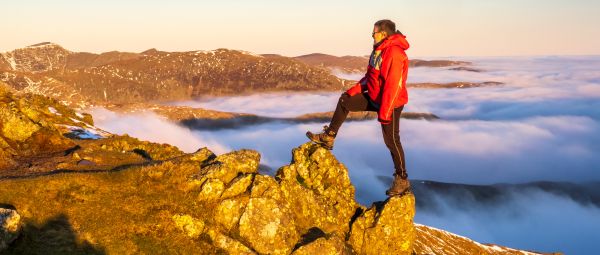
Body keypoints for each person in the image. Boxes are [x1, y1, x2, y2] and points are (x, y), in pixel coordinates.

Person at [306, 19, 411, 196]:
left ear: (384, 34)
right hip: (376, 97)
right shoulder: (378, 50)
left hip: (391, 103)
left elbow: (393, 86)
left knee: (392, 140)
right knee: (344, 101)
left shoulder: (394, 52)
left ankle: (402, 179)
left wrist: (385, 112)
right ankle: (329, 137)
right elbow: (370, 76)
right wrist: (354, 91)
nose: (372, 35)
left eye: (374, 32)